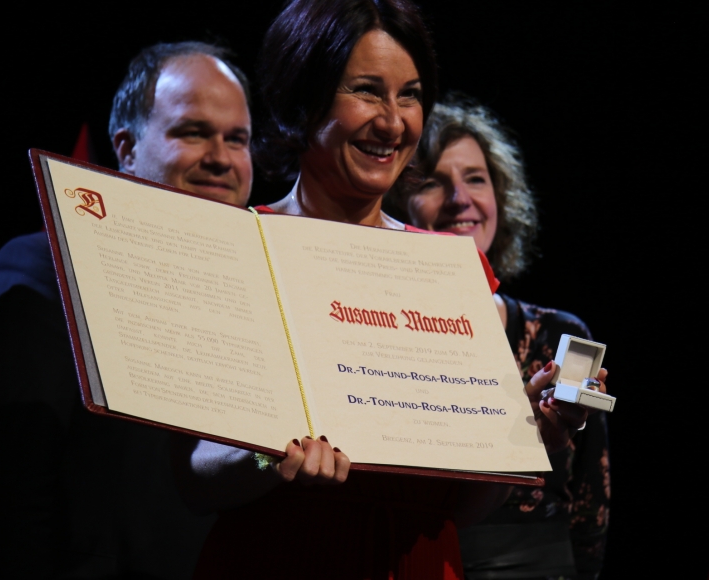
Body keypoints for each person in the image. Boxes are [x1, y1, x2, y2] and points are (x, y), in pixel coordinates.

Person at [173, 2, 596, 579]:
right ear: (305, 97)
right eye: (368, 92)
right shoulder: (244, 246)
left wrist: (526, 437)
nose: (394, 123)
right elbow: (196, 478)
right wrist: (270, 457)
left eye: (411, 95)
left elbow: (463, 509)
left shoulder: (448, 271)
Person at [0, 41, 253, 579]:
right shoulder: (46, 267)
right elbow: (19, 487)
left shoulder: (260, 292)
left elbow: (256, 458)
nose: (220, 157)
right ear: (125, 149)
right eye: (192, 132)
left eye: (236, 139)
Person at [388, 96, 611, 580]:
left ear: (500, 197)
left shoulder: (561, 335)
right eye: (432, 182)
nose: (459, 198)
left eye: (475, 178)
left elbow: (590, 503)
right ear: (396, 204)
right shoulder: (380, 333)